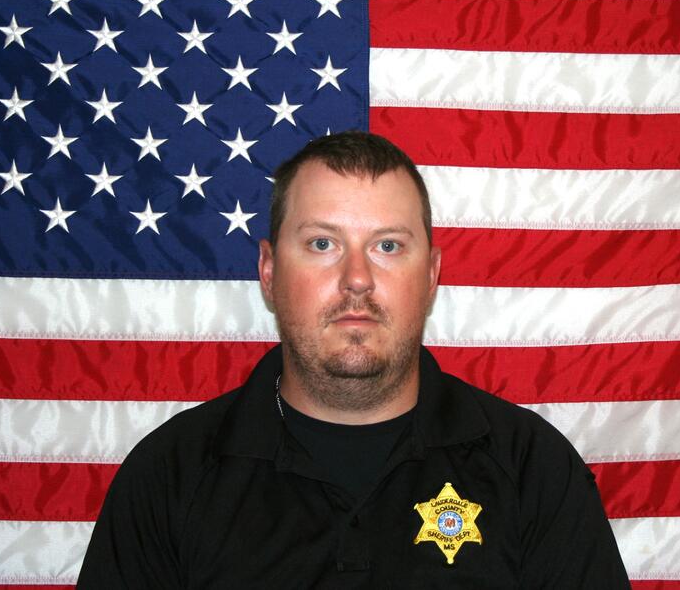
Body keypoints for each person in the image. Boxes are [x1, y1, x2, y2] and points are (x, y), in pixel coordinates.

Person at [77, 131, 630, 588]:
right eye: (322, 244)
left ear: (432, 275)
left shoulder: (532, 470)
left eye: (388, 246)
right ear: (268, 271)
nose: (358, 279)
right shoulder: (171, 475)